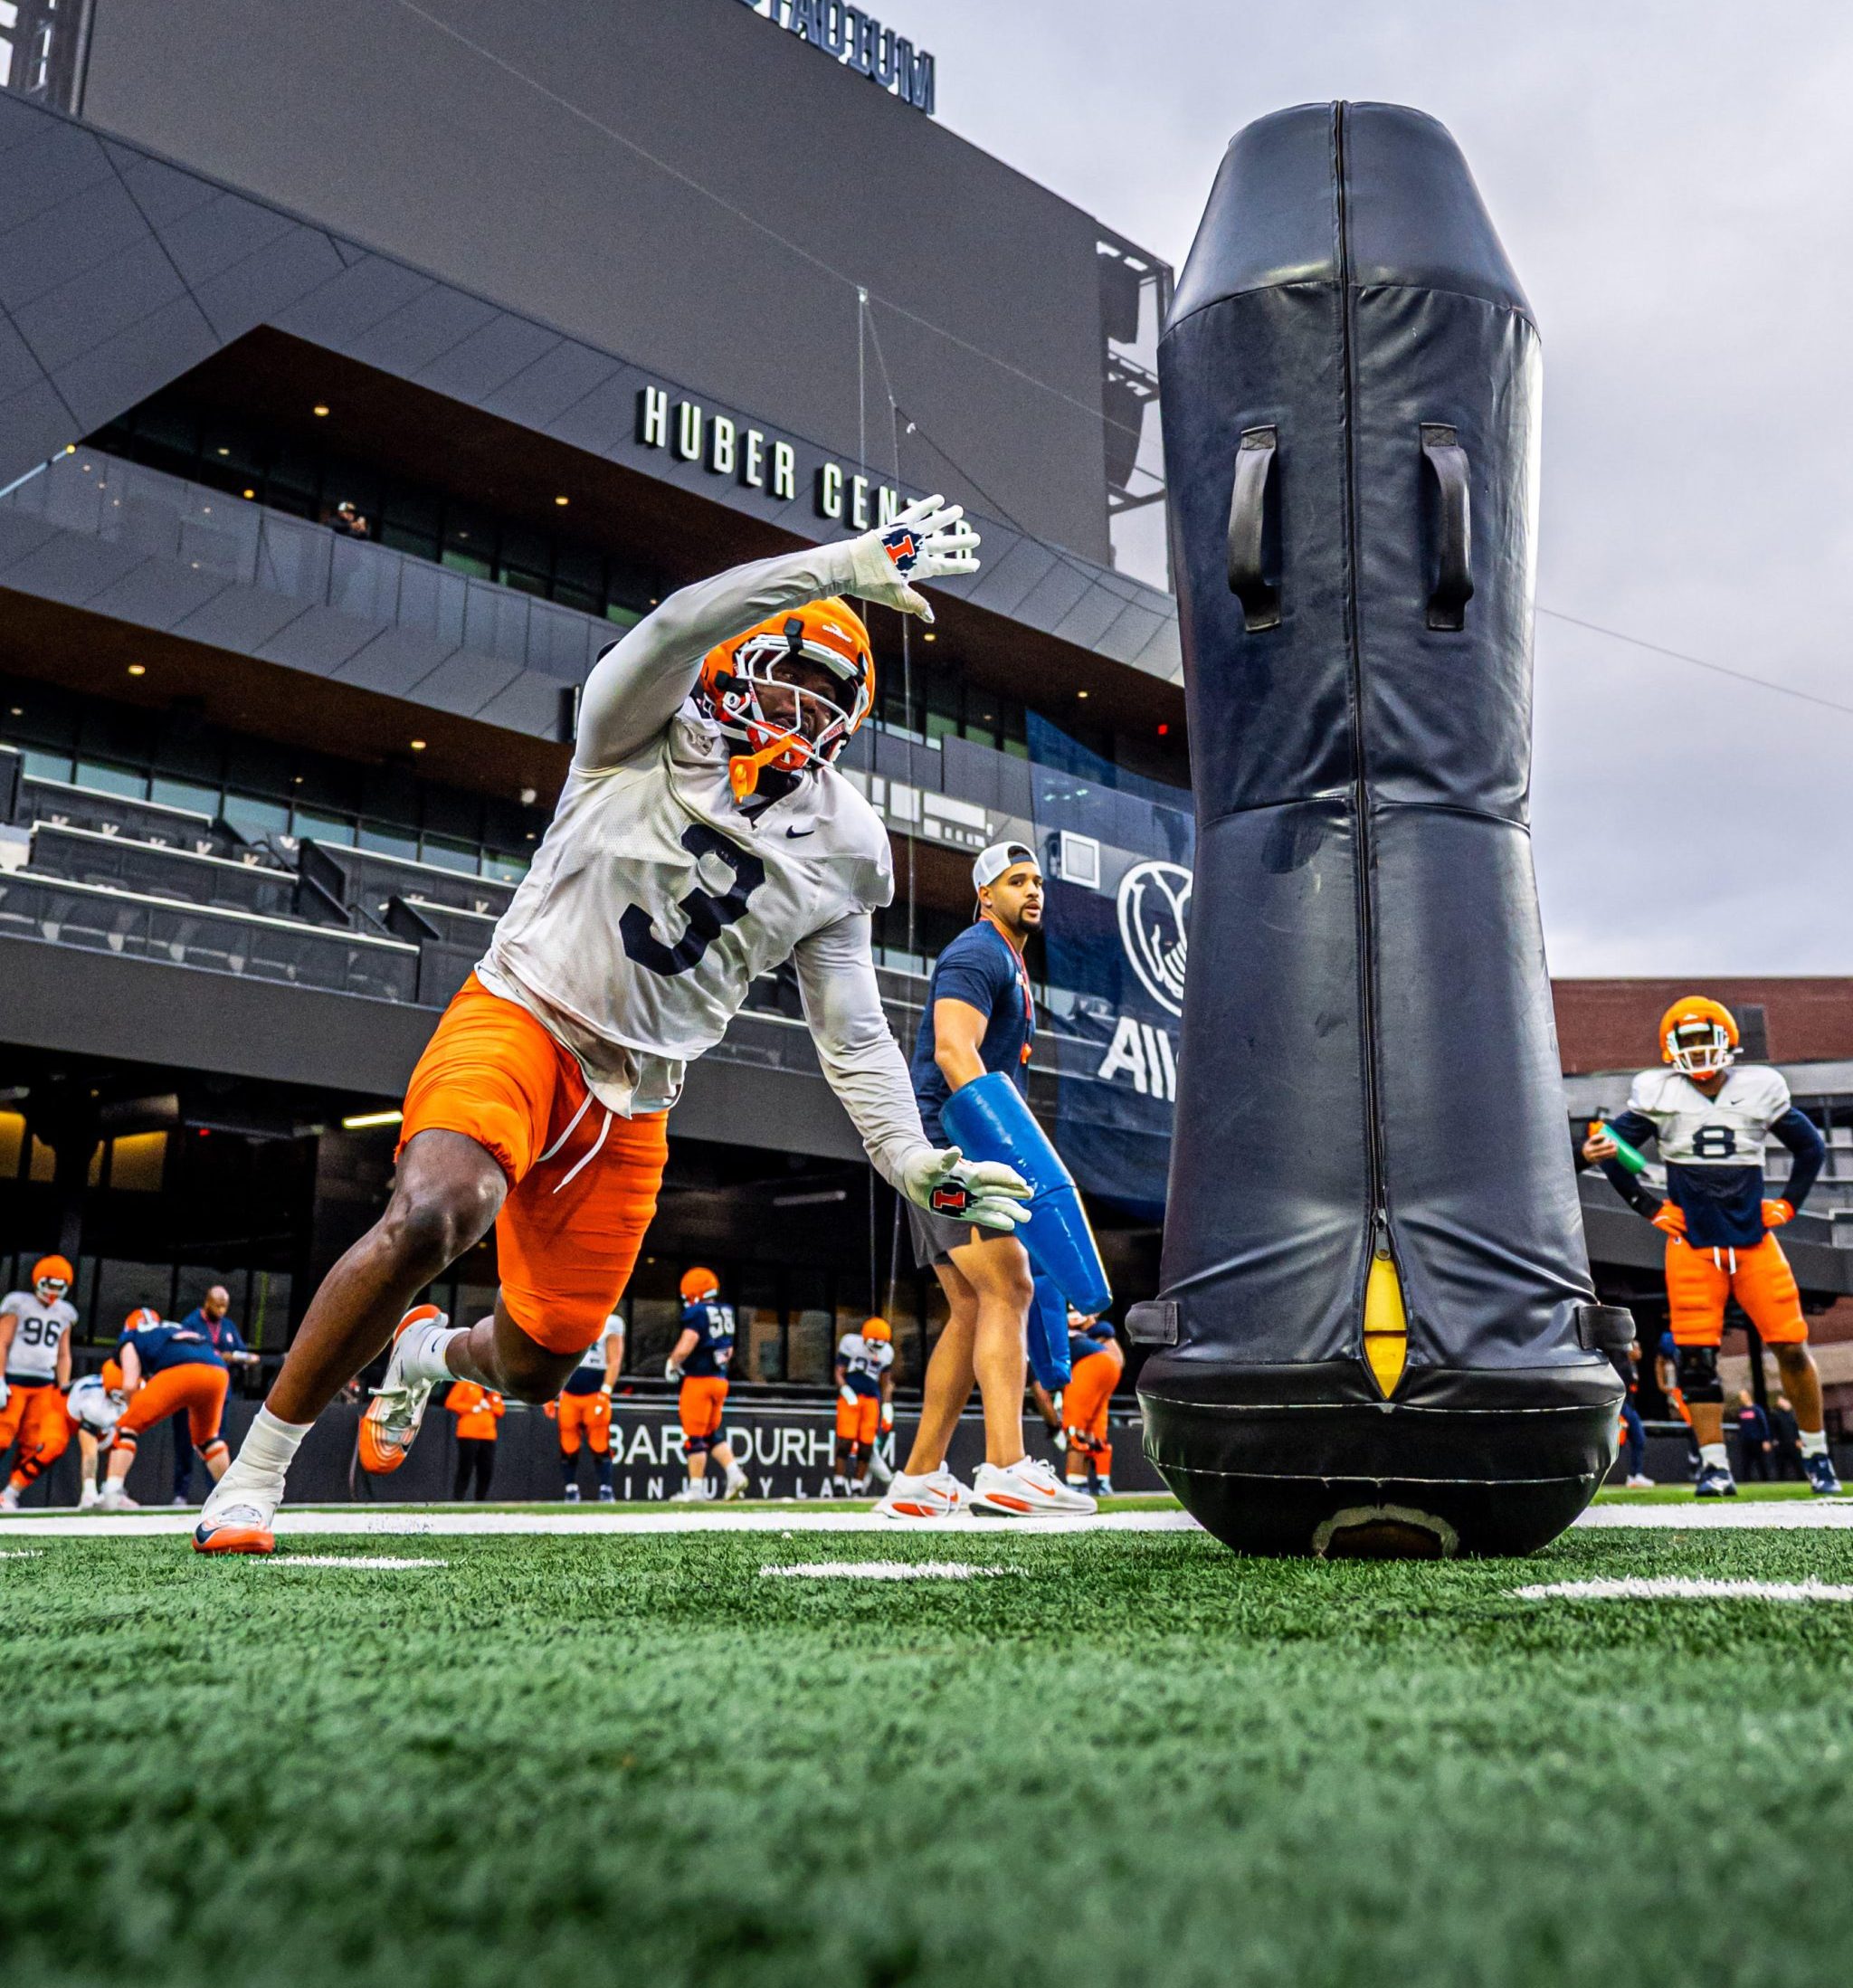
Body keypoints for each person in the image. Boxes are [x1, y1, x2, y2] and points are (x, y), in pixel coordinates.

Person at [195, 499, 1031, 1554]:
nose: (802, 705)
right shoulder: (638, 725)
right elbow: (680, 620)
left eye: (828, 696)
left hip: (636, 1100)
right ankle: (258, 1471)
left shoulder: (848, 841)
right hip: (522, 1014)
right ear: (736, 664)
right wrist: (841, 564)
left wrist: (910, 1160)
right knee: (439, 1210)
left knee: (538, 1363)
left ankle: (426, 1355)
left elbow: (853, 1033)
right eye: (788, 674)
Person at [879, 842, 1094, 1521]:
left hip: (945, 1146)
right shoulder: (979, 952)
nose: (1032, 890)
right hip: (949, 1151)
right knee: (1011, 1284)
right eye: (1015, 880)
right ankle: (1004, 1468)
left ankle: (918, 1479)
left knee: (974, 1307)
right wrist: (1008, 1148)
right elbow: (952, 1049)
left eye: (1037, 881)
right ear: (985, 894)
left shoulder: (1008, 960)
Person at [1582, 996, 1839, 1498]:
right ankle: (1714, 1466)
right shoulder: (1659, 1091)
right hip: (1693, 1245)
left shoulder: (1759, 1087)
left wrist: (1788, 1204)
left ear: (1727, 1041)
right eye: (1689, 1041)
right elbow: (1609, 1147)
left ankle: (1817, 1454)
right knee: (1696, 1358)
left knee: (1791, 1345)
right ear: (1670, 1047)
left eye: (1706, 1039)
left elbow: (1811, 1147)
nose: (1699, 1050)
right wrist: (1648, 1207)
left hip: (1753, 1242)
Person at [101, 1308, 232, 1511]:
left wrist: (132, 1410)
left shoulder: (132, 1336)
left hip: (181, 1370)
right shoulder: (174, 1328)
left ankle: (112, 1492)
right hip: (218, 1371)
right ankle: (234, 1497)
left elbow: (129, 1384)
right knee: (208, 1439)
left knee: (126, 1428)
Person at [168, 1287, 259, 1506]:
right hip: (192, 1392)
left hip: (219, 1394)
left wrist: (243, 1358)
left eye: (224, 1306)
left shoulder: (228, 1326)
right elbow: (183, 1351)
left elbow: (240, 1351)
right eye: (217, 1305)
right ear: (207, 1302)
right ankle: (181, 1494)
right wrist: (220, 1355)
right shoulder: (191, 1322)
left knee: (216, 1441)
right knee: (185, 1441)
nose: (221, 1310)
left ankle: (216, 1493)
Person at [0, 1256, 78, 1501]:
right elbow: (2, 1342)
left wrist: (63, 1386)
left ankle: (9, 1495)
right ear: (38, 1281)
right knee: (2, 1438)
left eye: (58, 1286)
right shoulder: (18, 1303)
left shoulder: (65, 1312)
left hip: (44, 1385)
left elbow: (64, 1354)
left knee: (33, 1443)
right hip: (14, 1380)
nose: (53, 1292)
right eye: (49, 1285)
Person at [666, 1269, 745, 1503]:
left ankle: (696, 1489)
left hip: (699, 1381)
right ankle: (734, 1474)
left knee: (695, 1437)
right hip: (720, 1380)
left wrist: (673, 1362)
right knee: (711, 1434)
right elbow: (729, 1348)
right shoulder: (726, 1311)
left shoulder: (697, 1313)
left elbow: (688, 1342)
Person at [0, 1372, 126, 1510]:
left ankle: (115, 1491)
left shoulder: (132, 1389)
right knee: (52, 1447)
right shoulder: (93, 1399)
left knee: (123, 1443)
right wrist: (89, 1489)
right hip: (60, 1411)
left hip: (89, 1416)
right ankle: (9, 1494)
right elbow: (89, 1448)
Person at [550, 1310, 623, 1502]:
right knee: (568, 1444)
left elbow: (614, 1360)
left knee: (599, 1443)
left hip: (594, 1392)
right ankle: (570, 1489)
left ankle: (606, 1488)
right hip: (569, 1392)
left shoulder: (611, 1322)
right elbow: (555, 1358)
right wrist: (550, 1393)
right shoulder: (566, 1317)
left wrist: (605, 1392)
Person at [1060, 1309, 1125, 1500]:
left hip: (1090, 1367)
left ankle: (1075, 1485)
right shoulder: (1090, 1335)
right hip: (1106, 1370)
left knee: (1074, 1430)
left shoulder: (1097, 1331)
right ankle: (1101, 1482)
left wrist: (1053, 1423)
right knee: (1095, 1433)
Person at [831, 1316, 894, 1495]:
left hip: (871, 1400)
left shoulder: (887, 1352)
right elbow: (838, 1372)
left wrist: (887, 1406)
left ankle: (857, 1486)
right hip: (851, 1397)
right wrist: (845, 1390)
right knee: (845, 1440)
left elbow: (886, 1382)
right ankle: (838, 1483)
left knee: (867, 1444)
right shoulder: (851, 1343)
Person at [446, 1378, 503, 1499]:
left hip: (488, 1435)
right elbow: (450, 1402)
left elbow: (500, 1410)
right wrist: (471, 1408)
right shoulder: (465, 1383)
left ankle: (480, 1500)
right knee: (465, 1468)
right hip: (468, 1434)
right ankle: (458, 1499)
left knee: (486, 1470)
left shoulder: (492, 1387)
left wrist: (489, 1407)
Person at [1612, 1337, 1654, 1488]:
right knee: (1621, 1442)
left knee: (1638, 1439)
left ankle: (1635, 1474)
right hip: (1623, 1407)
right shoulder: (1622, 1366)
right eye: (1637, 1348)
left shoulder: (1632, 1365)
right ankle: (1634, 1474)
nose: (1640, 1351)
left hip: (1629, 1406)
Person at [1733, 1389, 1772, 1483]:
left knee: (1761, 1463)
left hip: (1757, 1440)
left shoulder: (1757, 1409)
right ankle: (1745, 1482)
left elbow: (1764, 1424)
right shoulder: (1741, 1411)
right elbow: (1740, 1425)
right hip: (1746, 1441)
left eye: (1743, 1396)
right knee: (1745, 1463)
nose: (1741, 1399)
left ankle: (1766, 1481)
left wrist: (1766, 1440)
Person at [1769, 1393, 1805, 1481]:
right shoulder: (1776, 1415)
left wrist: (1799, 1439)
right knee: (1780, 1467)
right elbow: (1773, 1429)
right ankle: (1780, 1481)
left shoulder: (1794, 1414)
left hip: (1794, 1444)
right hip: (1782, 1445)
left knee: (1799, 1466)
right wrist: (1774, 1440)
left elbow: (1798, 1428)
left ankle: (1803, 1480)